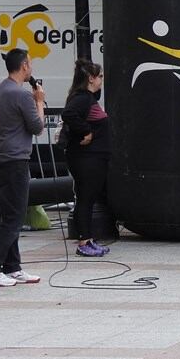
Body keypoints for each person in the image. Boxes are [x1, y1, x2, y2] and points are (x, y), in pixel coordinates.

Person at [0, 49, 45, 286]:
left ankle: (13, 266)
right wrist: (38, 101)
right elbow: (37, 127)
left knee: (10, 215)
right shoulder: (21, 96)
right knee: (15, 218)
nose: (31, 67)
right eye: (29, 63)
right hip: (15, 161)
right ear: (24, 67)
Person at [62, 59, 111, 257]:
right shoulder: (82, 98)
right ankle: (83, 241)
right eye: (99, 76)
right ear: (90, 79)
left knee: (89, 198)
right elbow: (69, 113)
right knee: (85, 197)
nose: (101, 80)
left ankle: (89, 238)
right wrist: (86, 132)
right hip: (86, 158)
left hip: (96, 157)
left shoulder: (90, 98)